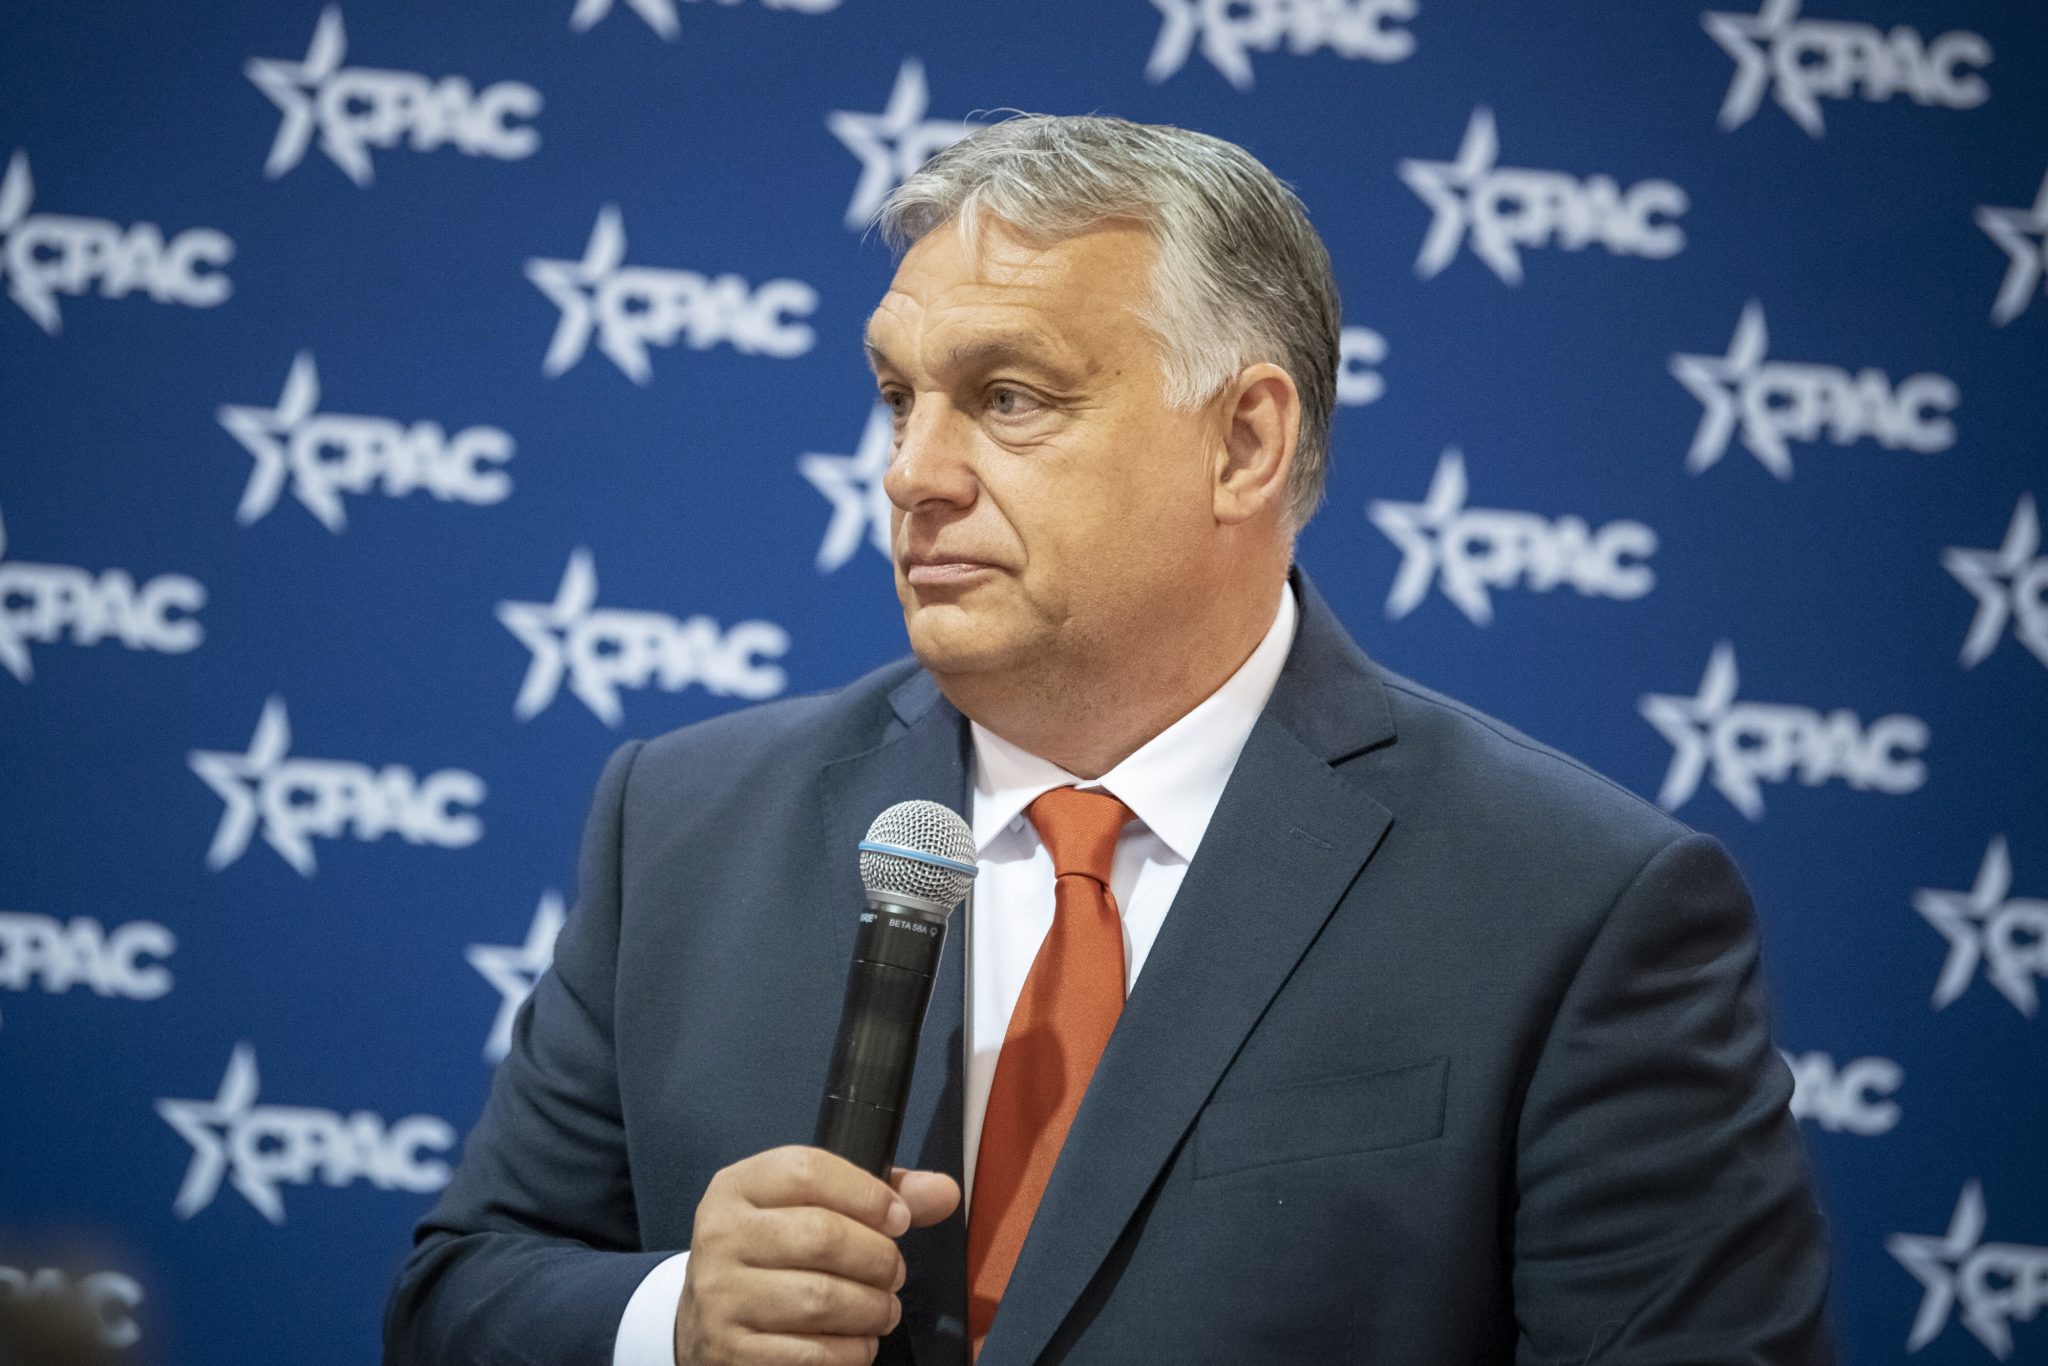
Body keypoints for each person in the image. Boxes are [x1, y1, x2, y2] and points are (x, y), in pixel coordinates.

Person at [385, 115, 1833, 1366]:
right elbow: (459, 1297)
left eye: (1008, 399)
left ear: (1244, 442)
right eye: (897, 397)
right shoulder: (683, 821)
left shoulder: (1575, 905)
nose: (912, 473)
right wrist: (675, 1318)